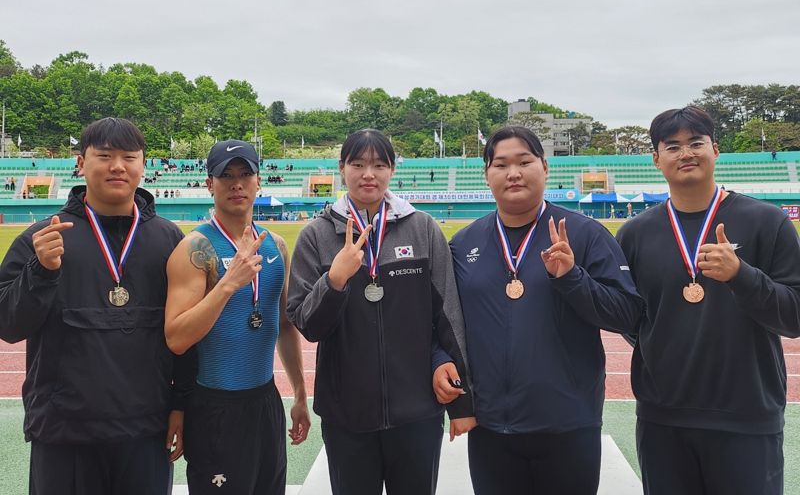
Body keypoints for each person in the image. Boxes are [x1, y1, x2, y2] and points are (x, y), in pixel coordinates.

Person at [0, 118, 193, 495]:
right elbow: (7, 325)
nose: (117, 166)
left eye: (128, 156)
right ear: (80, 162)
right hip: (65, 433)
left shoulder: (169, 239)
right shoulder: (43, 237)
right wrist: (40, 272)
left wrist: (181, 404)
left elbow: (184, 332)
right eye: (104, 155)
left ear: (144, 165)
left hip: (144, 432)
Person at [616, 106, 800, 495]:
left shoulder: (767, 221)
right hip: (663, 419)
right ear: (656, 159)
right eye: (673, 146)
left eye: (696, 143)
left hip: (747, 416)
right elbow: (632, 319)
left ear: (715, 150)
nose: (686, 153)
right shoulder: (634, 233)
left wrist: (742, 276)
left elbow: (794, 317)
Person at [450, 126, 642, 495]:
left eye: (525, 161)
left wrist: (572, 277)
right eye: (501, 164)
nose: (514, 173)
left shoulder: (585, 234)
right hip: (491, 427)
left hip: (567, 425)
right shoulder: (464, 243)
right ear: (487, 174)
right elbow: (444, 321)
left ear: (545, 167)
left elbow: (628, 314)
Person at [287, 128, 475, 495]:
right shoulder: (316, 235)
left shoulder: (422, 228)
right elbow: (308, 324)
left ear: (392, 170)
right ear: (342, 169)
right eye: (357, 164)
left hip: (418, 411)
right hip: (347, 416)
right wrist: (335, 280)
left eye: (378, 164)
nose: (367, 174)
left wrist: (462, 401)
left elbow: (447, 314)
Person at [165, 139, 310, 495]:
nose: (237, 183)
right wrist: (228, 284)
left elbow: (285, 326)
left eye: (245, 174)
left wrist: (301, 395)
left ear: (259, 181)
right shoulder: (194, 248)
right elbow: (177, 337)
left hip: (265, 403)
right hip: (216, 407)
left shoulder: (276, 245)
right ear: (209, 184)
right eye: (225, 175)